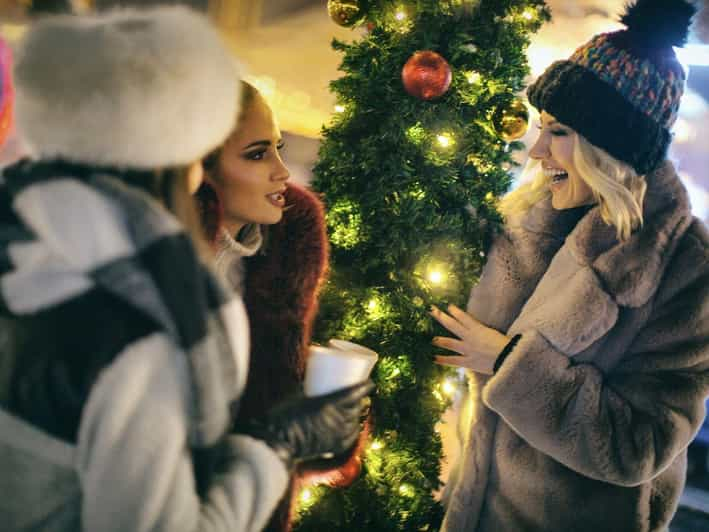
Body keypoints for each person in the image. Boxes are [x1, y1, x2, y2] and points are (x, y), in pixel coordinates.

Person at [0, 7, 372, 532]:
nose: (283, 175)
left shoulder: (28, 240)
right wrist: (276, 447)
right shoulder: (145, 325)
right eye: (256, 153)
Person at [432, 1, 709, 531]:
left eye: (558, 132)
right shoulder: (529, 219)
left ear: (608, 146)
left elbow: (639, 447)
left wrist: (509, 362)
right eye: (541, 128)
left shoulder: (685, 268)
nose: (537, 151)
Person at [196, 82, 366, 532]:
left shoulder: (285, 254)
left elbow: (276, 421)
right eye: (257, 154)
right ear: (197, 170)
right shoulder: (155, 272)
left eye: (279, 148)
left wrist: (327, 422)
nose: (282, 172)